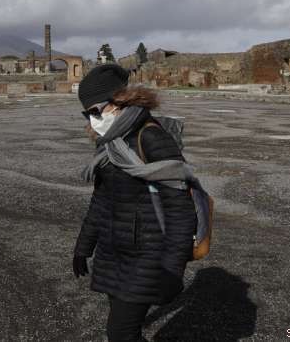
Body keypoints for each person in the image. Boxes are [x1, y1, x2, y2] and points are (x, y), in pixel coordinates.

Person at [72, 64, 197, 342]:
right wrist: (83, 247)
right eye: (87, 113)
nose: (93, 120)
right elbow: (101, 200)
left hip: (148, 255)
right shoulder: (109, 144)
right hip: (113, 253)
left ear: (119, 101)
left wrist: (172, 268)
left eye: (96, 111)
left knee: (121, 333)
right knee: (122, 331)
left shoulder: (151, 137)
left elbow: (180, 211)